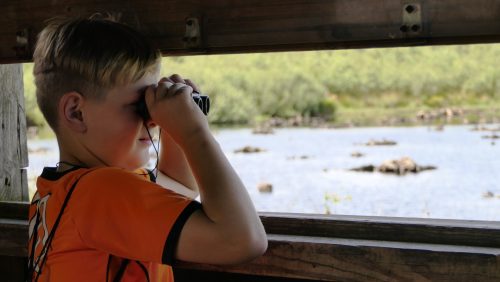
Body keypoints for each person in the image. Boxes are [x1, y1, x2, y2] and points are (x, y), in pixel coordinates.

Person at [27, 15, 267, 281]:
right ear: (76, 112)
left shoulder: (62, 189)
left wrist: (174, 124)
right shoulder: (100, 191)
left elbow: (180, 186)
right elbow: (243, 241)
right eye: (139, 106)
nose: (152, 120)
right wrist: (194, 132)